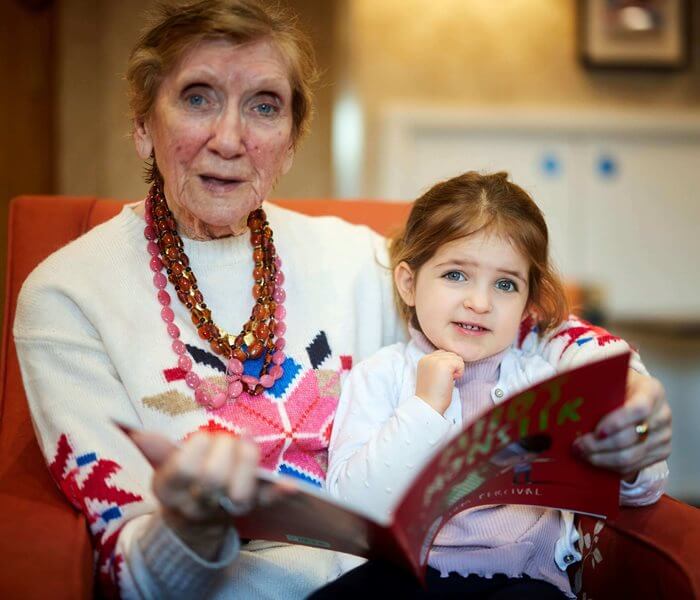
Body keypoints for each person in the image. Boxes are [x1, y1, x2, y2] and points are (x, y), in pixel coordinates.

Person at [12, 1, 671, 598]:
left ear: (290, 141)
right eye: (198, 97)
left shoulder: (359, 259)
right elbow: (129, 572)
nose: (231, 138)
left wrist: (630, 399)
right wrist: (190, 526)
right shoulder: (68, 297)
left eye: (264, 106)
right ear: (142, 125)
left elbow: (528, 327)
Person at [322, 172, 669, 599]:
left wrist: (630, 459)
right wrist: (423, 409)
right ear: (409, 283)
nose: (480, 302)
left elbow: (641, 491)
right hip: (402, 573)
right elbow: (351, 507)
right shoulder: (379, 375)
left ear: (528, 303)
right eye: (456, 275)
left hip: (521, 577)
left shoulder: (546, 383)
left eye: (505, 284)